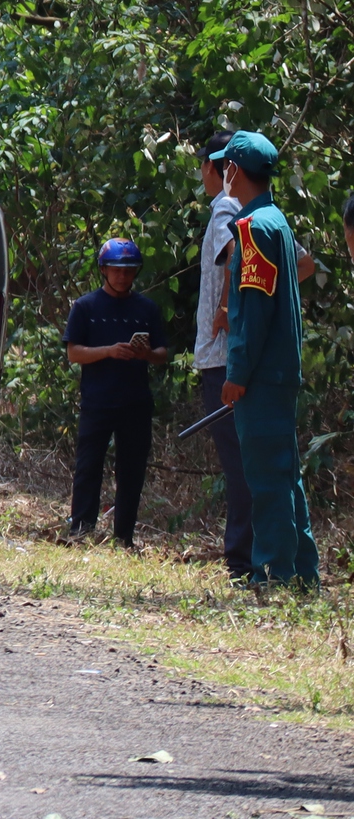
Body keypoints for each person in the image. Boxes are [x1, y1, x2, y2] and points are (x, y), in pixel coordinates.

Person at [213, 130, 319, 587]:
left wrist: (237, 373)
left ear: (234, 171)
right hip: (279, 370)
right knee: (285, 474)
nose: (222, 174)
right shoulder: (277, 219)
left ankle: (274, 573)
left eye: (225, 167)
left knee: (267, 478)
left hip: (261, 374)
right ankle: (300, 573)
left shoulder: (253, 228)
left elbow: (252, 311)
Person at [64, 238, 167, 545]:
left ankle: (124, 536)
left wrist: (145, 353)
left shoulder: (147, 309)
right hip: (97, 400)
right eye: (116, 270)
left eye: (128, 271)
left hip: (135, 401)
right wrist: (108, 351)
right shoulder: (85, 307)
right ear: (104, 270)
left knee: (132, 471)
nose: (122, 277)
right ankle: (80, 531)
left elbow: (163, 353)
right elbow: (73, 352)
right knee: (88, 466)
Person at [191, 131, 253, 575]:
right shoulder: (260, 215)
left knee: (237, 464)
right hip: (243, 355)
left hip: (222, 358)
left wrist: (230, 306)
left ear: (214, 168)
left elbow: (232, 254)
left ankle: (241, 558)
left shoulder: (224, 211)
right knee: (249, 459)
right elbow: (303, 264)